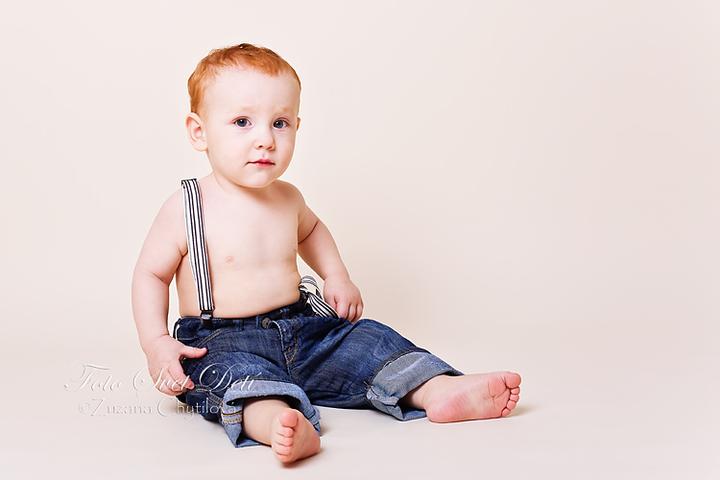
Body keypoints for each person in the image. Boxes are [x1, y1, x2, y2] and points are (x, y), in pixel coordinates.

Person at [131, 43, 521, 464]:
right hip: (220, 340)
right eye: (242, 122)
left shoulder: (288, 197)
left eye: (280, 123)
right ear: (199, 131)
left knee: (367, 342)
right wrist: (156, 343)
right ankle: (276, 421)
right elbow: (151, 275)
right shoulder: (187, 206)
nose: (265, 139)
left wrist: (336, 276)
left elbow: (312, 231)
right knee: (235, 379)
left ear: (297, 127)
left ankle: (437, 390)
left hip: (305, 330)